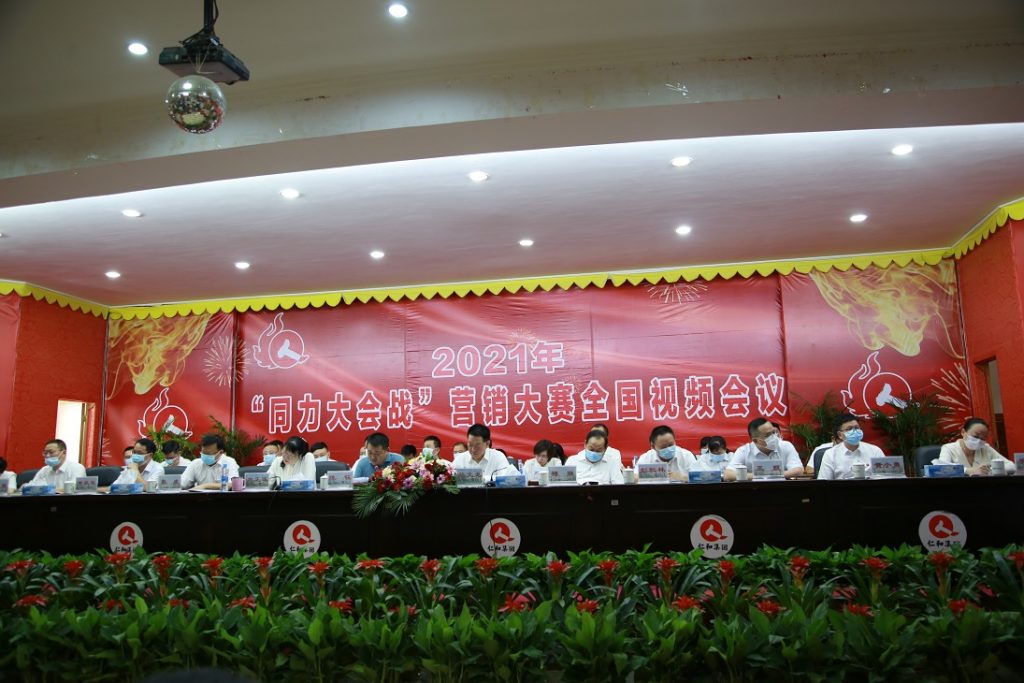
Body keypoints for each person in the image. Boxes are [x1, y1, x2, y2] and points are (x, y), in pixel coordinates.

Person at [726, 417, 803, 481]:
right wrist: (758, 476)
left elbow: (798, 470)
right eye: (767, 435)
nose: (773, 437)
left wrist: (771, 475)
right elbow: (728, 474)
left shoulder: (786, 446)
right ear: (755, 441)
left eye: (773, 432)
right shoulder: (744, 451)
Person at [816, 413, 887, 479]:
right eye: (849, 429)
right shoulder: (830, 454)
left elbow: (885, 479)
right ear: (840, 435)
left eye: (856, 427)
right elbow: (823, 483)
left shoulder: (875, 451)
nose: (854, 431)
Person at [937, 417, 1016, 475]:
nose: (978, 441)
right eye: (975, 436)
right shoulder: (949, 448)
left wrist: (991, 470)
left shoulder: (985, 448)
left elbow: (1011, 466)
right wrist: (968, 471)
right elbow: (941, 469)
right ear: (963, 432)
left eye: (983, 438)